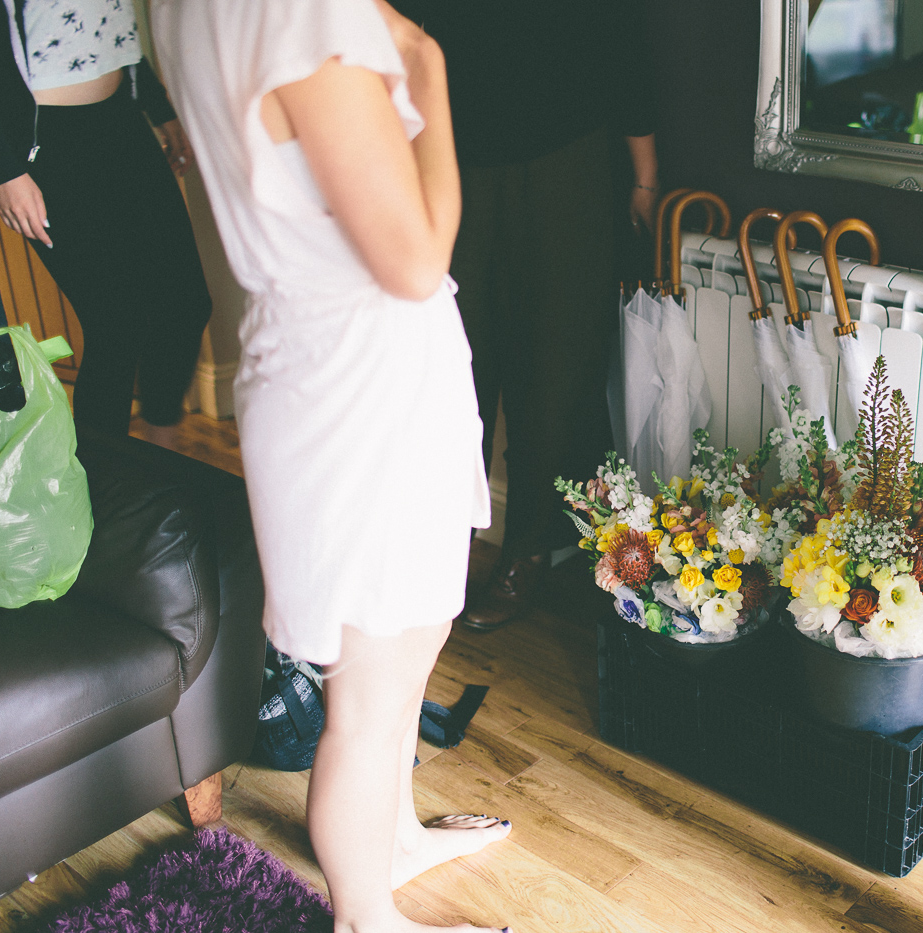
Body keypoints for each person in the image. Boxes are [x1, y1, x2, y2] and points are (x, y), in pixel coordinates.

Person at [151, 1, 512, 930]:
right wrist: (427, 69)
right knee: (370, 685)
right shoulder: (298, 12)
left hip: (327, 364)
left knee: (404, 643)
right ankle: (364, 913)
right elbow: (416, 259)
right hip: (361, 383)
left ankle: (391, 840)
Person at [389, 0, 659, 632]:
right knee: (455, 362)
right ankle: (441, 553)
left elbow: (624, 45)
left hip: (569, 156)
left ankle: (528, 549)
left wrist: (645, 175)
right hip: (455, 153)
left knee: (554, 361)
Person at [0, 0, 212, 445]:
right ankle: (106, 491)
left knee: (185, 304)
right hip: (44, 142)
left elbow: (108, 25)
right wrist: (3, 171)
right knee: (116, 324)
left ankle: (158, 459)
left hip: (121, 121)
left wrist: (157, 106)